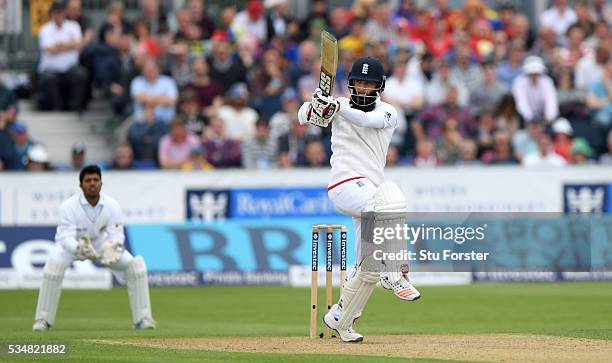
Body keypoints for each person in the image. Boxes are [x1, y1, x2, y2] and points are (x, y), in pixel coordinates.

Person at [298, 57, 420, 342]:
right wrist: (316, 105)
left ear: (379, 88)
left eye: (369, 84)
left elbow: (366, 118)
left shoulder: (389, 112)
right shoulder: (337, 106)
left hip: (369, 194)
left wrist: (336, 106)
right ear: (351, 83)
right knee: (388, 200)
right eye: (359, 83)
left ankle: (341, 320)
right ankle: (396, 274)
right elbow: (303, 116)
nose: (363, 89)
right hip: (344, 186)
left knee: (368, 267)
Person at [33, 165, 155, 331]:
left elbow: (117, 235)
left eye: (96, 180)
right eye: (88, 180)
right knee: (52, 269)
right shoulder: (69, 206)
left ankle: (143, 319)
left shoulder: (112, 205)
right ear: (81, 185)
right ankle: (43, 321)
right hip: (75, 246)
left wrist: (112, 247)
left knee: (136, 267)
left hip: (102, 246)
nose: (92, 184)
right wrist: (78, 248)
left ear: (101, 183)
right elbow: (64, 237)